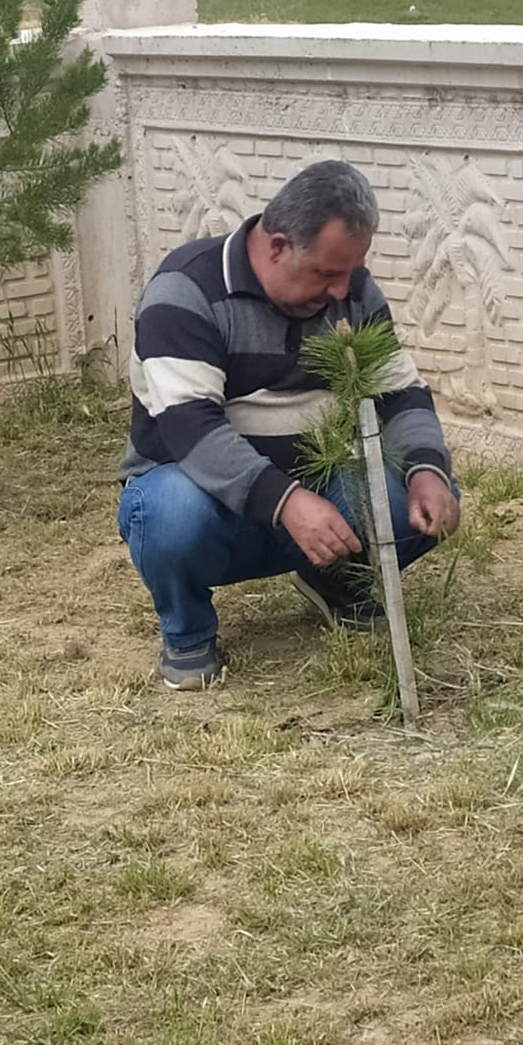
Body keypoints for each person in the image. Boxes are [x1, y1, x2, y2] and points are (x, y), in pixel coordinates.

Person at [119, 159, 461, 689]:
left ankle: (334, 577)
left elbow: (401, 392)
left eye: (351, 271)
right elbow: (192, 429)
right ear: (277, 246)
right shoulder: (184, 291)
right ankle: (187, 632)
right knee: (168, 512)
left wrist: (426, 471)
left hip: (316, 494)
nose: (343, 290)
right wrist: (287, 502)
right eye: (327, 273)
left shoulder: (354, 294)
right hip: (204, 499)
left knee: (414, 501)